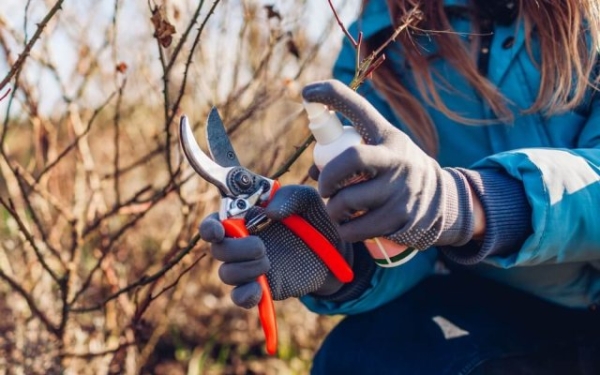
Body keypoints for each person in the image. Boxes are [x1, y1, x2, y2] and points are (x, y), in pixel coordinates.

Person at [199, 0, 600, 373]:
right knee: (363, 355)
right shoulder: (381, 42)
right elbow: (408, 240)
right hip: (508, 307)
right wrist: (346, 261)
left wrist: (468, 203)